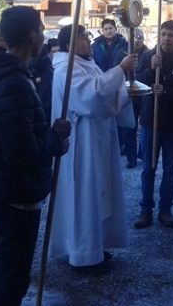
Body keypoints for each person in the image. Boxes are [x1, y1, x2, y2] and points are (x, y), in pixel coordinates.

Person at [0, 6, 70, 306]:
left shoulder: (5, 72)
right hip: (15, 191)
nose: (45, 37)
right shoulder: (13, 84)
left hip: (5, 187)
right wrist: (56, 137)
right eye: (42, 30)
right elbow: (22, 152)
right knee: (14, 274)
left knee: (9, 268)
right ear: (33, 36)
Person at [49, 24, 136, 270]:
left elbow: (106, 93)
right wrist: (120, 70)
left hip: (98, 141)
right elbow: (92, 97)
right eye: (83, 37)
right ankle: (83, 253)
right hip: (81, 144)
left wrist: (127, 86)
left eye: (87, 36)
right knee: (83, 195)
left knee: (98, 193)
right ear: (69, 44)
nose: (88, 41)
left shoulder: (86, 65)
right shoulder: (65, 71)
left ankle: (96, 245)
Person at [134, 20, 173, 229]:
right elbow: (138, 82)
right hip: (151, 120)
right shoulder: (149, 56)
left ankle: (165, 210)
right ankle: (145, 210)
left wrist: (166, 92)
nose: (167, 38)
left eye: (171, 34)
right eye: (164, 34)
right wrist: (151, 69)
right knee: (148, 169)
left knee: (169, 169)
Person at [122, 29, 148, 169]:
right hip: (128, 95)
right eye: (134, 38)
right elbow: (116, 69)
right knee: (129, 127)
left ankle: (142, 153)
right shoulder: (121, 53)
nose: (137, 41)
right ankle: (131, 157)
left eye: (139, 38)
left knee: (145, 126)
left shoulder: (149, 54)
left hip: (144, 95)